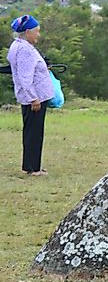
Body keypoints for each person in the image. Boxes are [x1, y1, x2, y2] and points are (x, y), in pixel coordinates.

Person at [7, 15, 54, 176]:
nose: (38, 35)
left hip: (32, 96)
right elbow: (25, 77)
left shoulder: (17, 45)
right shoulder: (25, 50)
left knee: (31, 131)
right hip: (35, 98)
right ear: (27, 32)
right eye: (37, 32)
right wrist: (33, 97)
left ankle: (31, 164)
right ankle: (33, 168)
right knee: (34, 132)